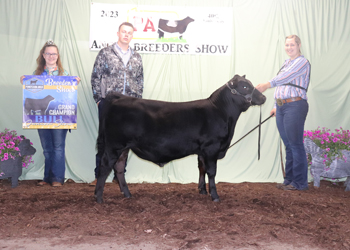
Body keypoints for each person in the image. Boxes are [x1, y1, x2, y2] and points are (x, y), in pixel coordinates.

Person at [20, 40, 81, 187]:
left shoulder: (64, 74)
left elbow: (67, 95)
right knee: (47, 149)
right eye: (48, 53)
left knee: (58, 147)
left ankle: (57, 179)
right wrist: (24, 81)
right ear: (43, 55)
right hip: (41, 118)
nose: (51, 56)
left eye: (54, 54)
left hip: (59, 117)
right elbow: (32, 91)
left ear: (58, 56)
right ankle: (47, 177)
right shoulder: (37, 74)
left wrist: (75, 82)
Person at [90, 22, 144, 186]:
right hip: (110, 106)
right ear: (118, 33)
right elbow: (95, 77)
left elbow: (140, 81)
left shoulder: (136, 57)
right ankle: (100, 175)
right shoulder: (105, 53)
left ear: (132, 35)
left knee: (127, 141)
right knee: (106, 140)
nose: (126, 35)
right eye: (123, 32)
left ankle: (119, 176)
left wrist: (138, 102)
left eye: (129, 32)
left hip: (130, 107)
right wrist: (100, 99)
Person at [256, 35, 311, 191]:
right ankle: (289, 179)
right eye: (287, 45)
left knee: (295, 144)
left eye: (292, 44)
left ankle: (300, 183)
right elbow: (281, 85)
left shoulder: (302, 62)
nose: (289, 47)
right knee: (288, 145)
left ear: (299, 45)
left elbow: (284, 78)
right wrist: (275, 105)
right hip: (282, 107)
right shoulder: (286, 63)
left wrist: (267, 84)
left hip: (295, 105)